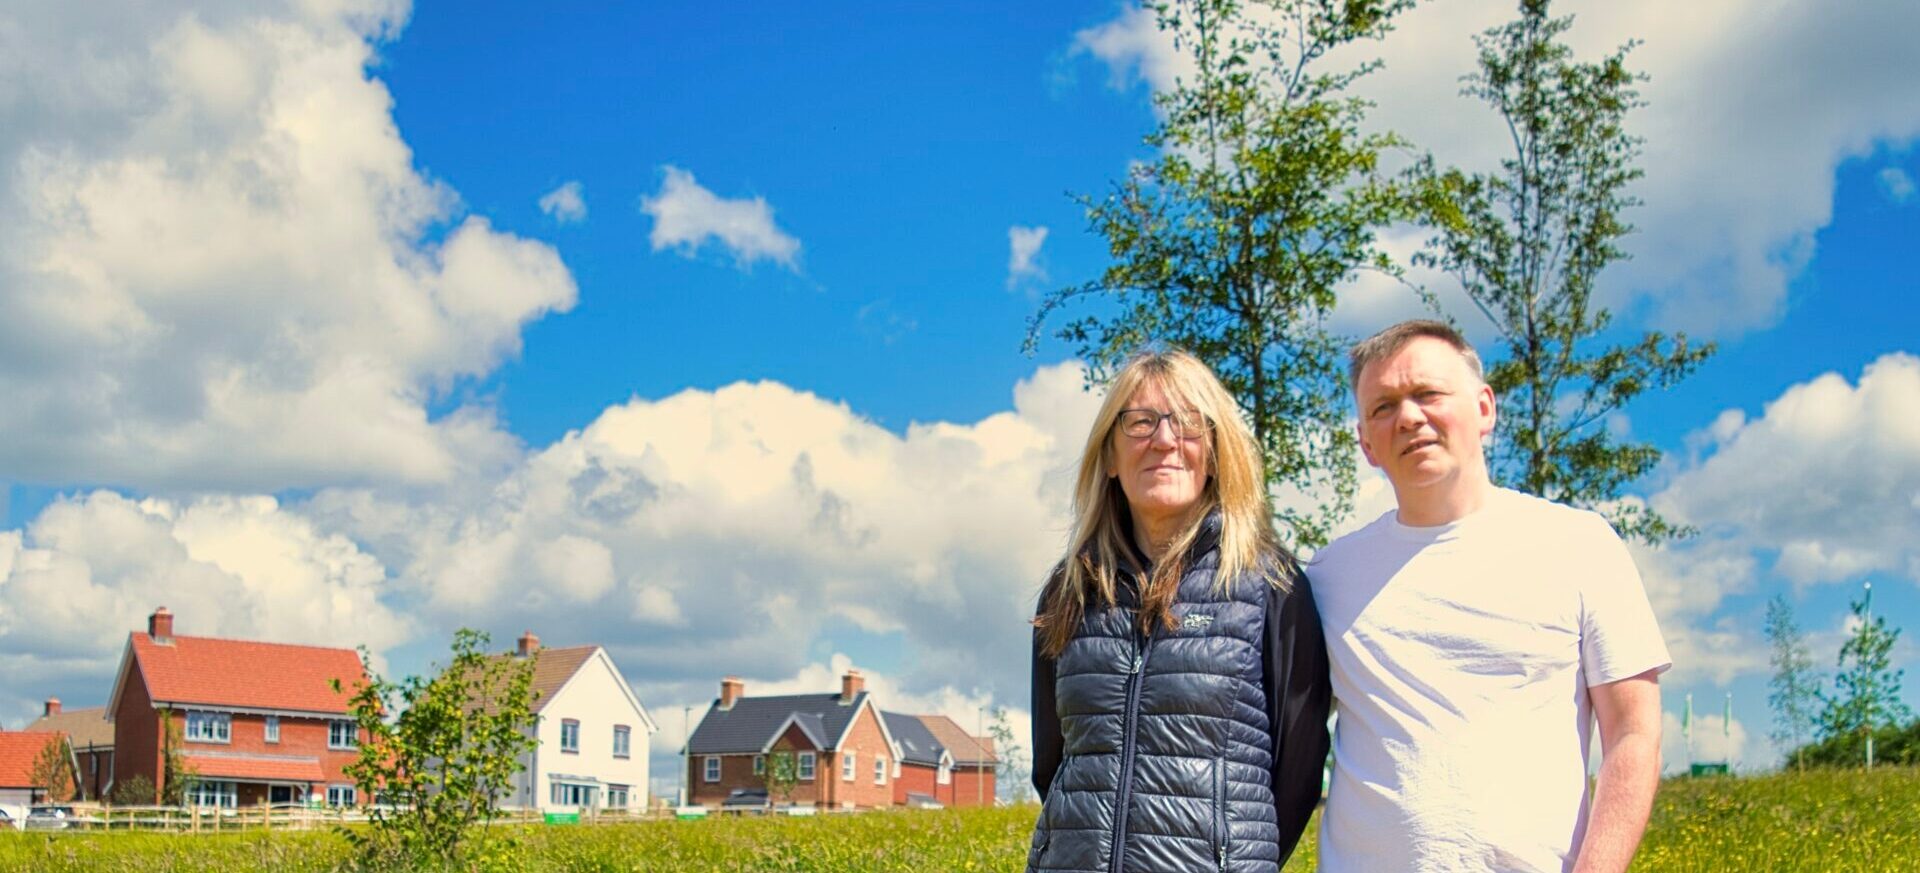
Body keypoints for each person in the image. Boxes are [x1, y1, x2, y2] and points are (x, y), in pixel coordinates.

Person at [1310, 320, 1669, 872]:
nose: (1408, 417)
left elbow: (1634, 733)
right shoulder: (1327, 577)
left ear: (1484, 408)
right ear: (1365, 443)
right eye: (1383, 407)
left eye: (1428, 393)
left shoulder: (1580, 544)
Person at [1026, 349, 1330, 873]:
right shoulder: (1068, 589)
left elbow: (1298, 769)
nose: (1164, 440)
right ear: (1110, 457)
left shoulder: (1271, 584)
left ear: (1215, 452)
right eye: (1140, 422)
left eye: (1188, 421)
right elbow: (1051, 764)